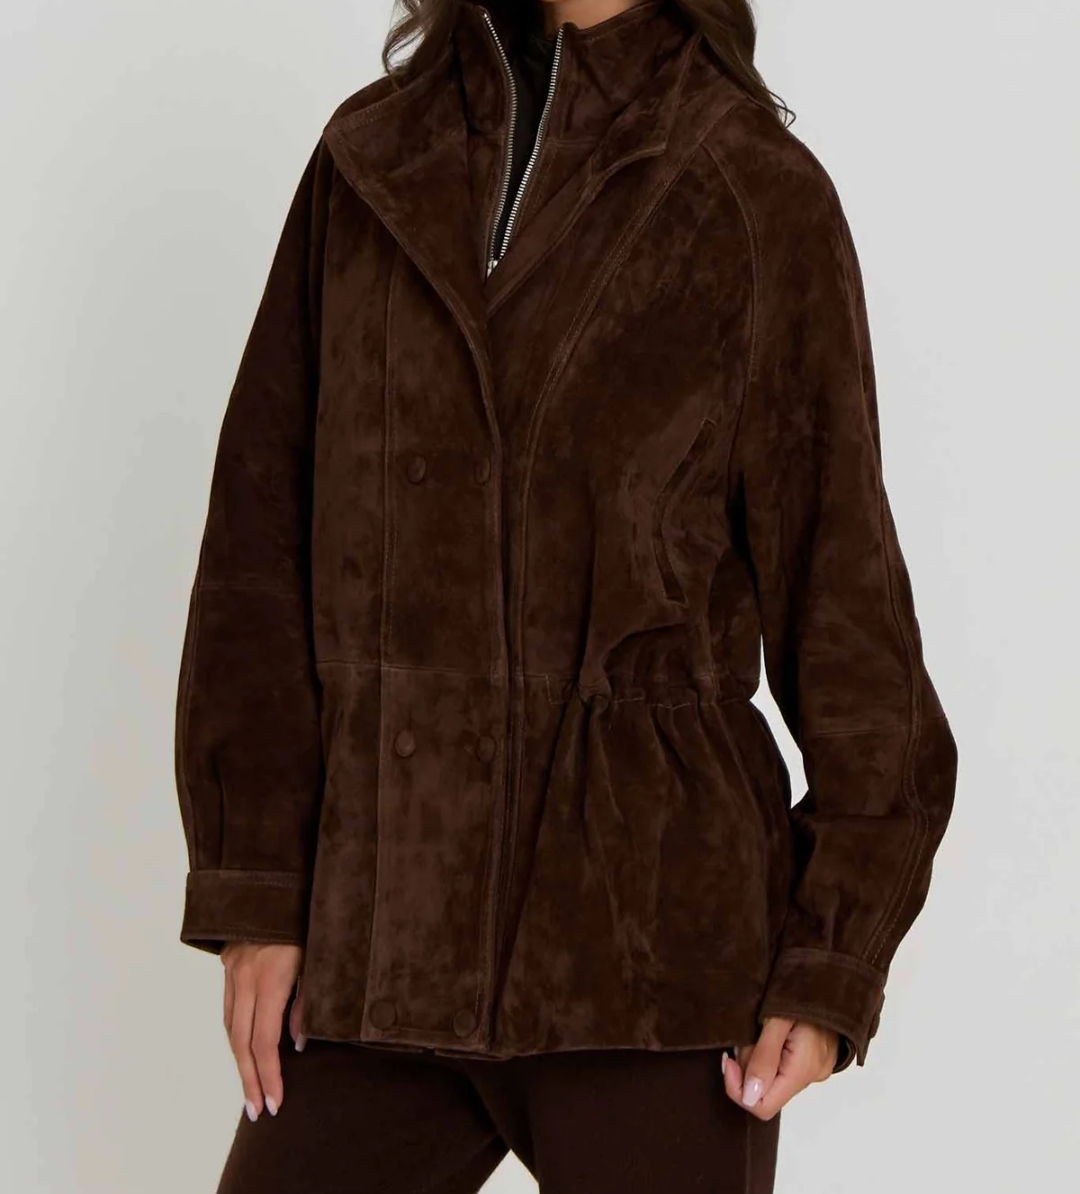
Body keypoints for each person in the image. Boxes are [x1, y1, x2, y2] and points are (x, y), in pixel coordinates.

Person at [172, 1, 959, 1190]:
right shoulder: (368, 163)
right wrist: (259, 892)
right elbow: (256, 548)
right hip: (383, 932)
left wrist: (832, 960)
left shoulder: (753, 190)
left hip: (649, 961)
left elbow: (846, 610)